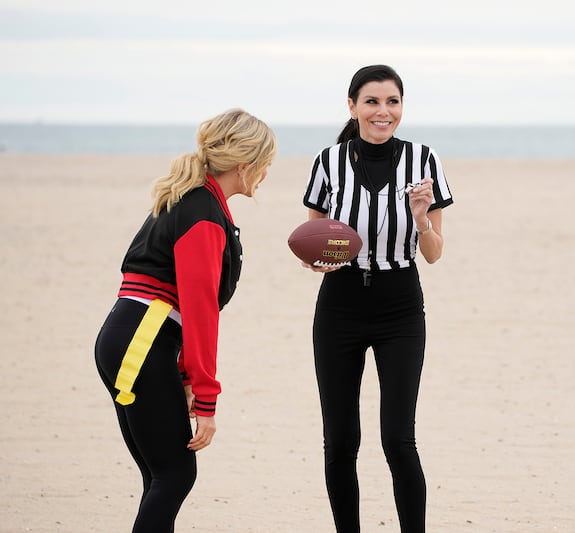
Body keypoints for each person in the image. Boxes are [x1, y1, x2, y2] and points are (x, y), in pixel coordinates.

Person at [94, 108, 277, 532]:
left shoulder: (194, 199)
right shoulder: (203, 213)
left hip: (131, 336)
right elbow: (199, 313)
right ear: (246, 166)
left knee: (162, 475)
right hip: (141, 342)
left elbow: (177, 304)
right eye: (266, 165)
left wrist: (185, 378)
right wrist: (208, 397)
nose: (267, 175)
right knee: (176, 475)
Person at [300, 64, 454, 532]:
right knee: (341, 441)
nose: (382, 111)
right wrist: (319, 260)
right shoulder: (328, 161)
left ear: (402, 108)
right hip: (339, 306)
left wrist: (422, 216)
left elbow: (433, 255)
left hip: (400, 306)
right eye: (372, 101)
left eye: (392, 102)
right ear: (352, 106)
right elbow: (313, 241)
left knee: (397, 439)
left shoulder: (424, 160)